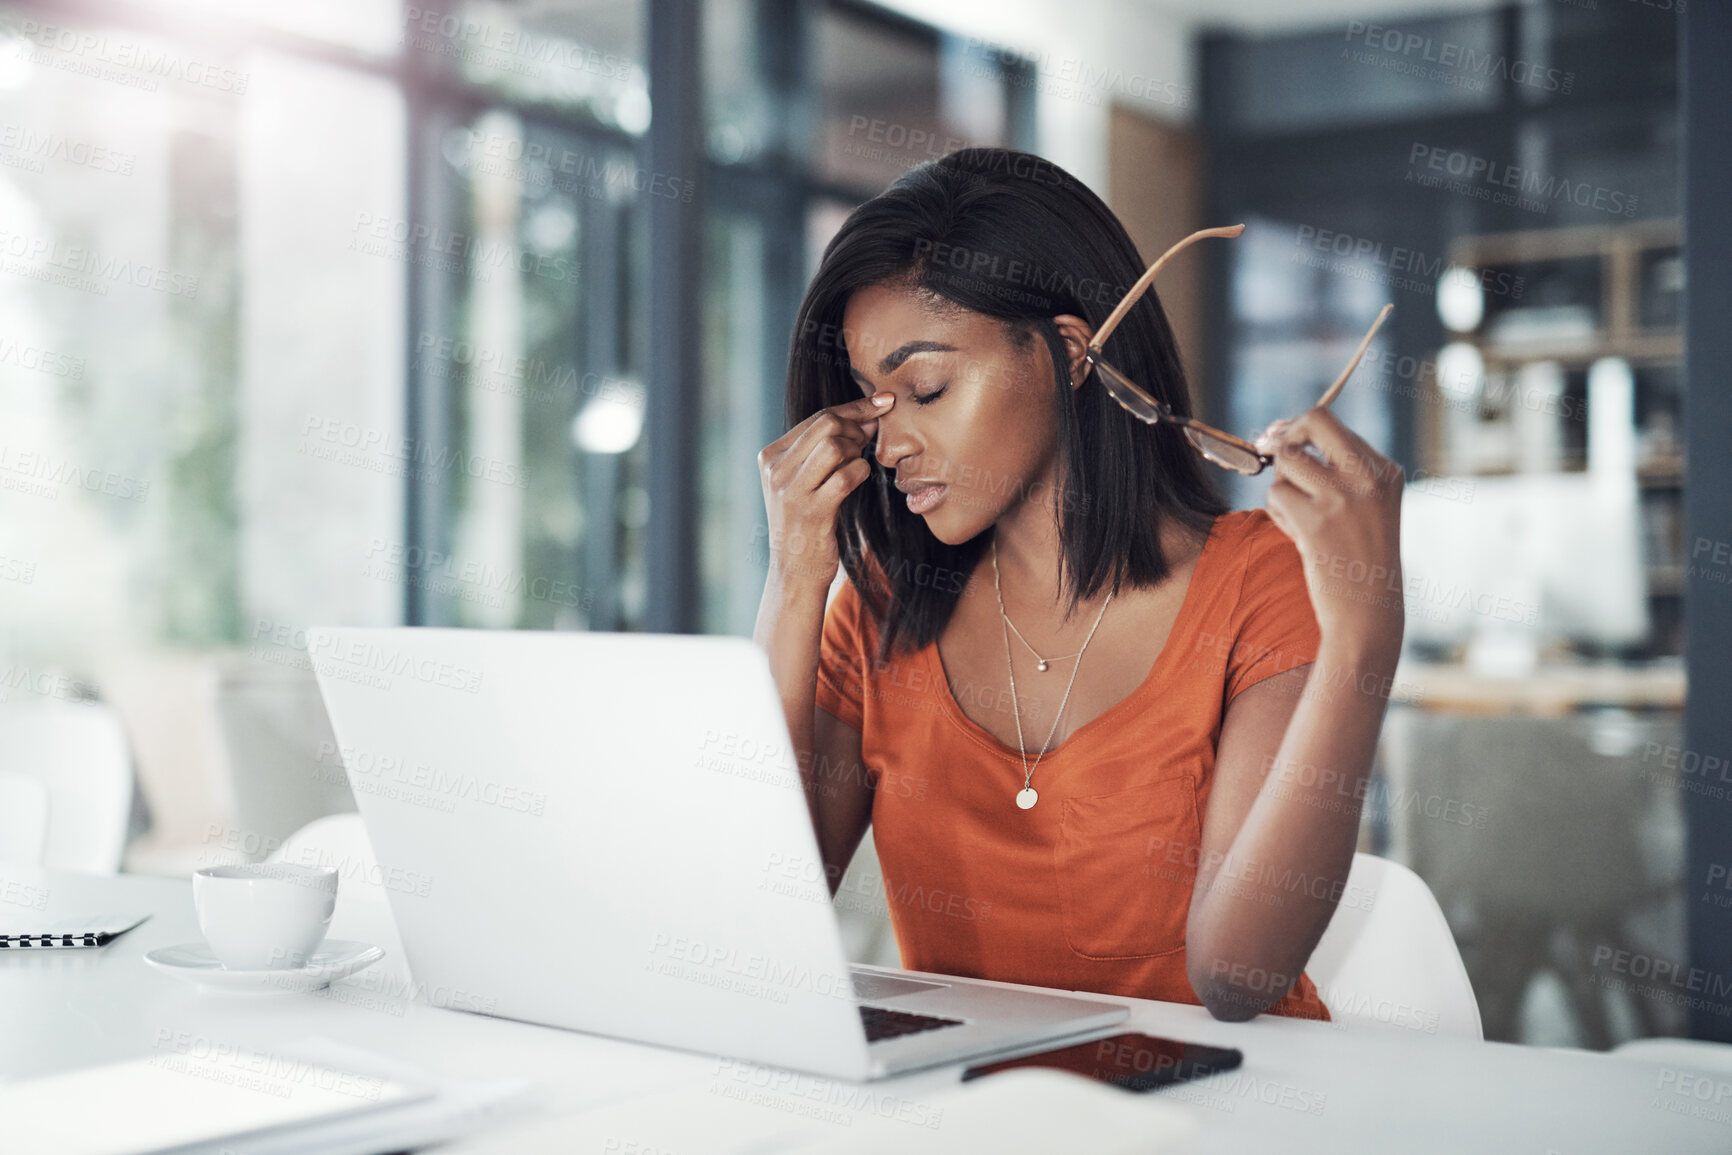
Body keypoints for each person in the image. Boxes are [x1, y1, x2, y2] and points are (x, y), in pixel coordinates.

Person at [752, 148, 1404, 1022]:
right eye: (873, 403)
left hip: (1228, 1105)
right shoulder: (879, 606)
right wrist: (795, 579)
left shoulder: (1257, 583)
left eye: (927, 387)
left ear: (1067, 352)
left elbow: (1236, 975)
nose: (889, 443)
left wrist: (1366, 638)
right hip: (980, 1110)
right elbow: (759, 917)